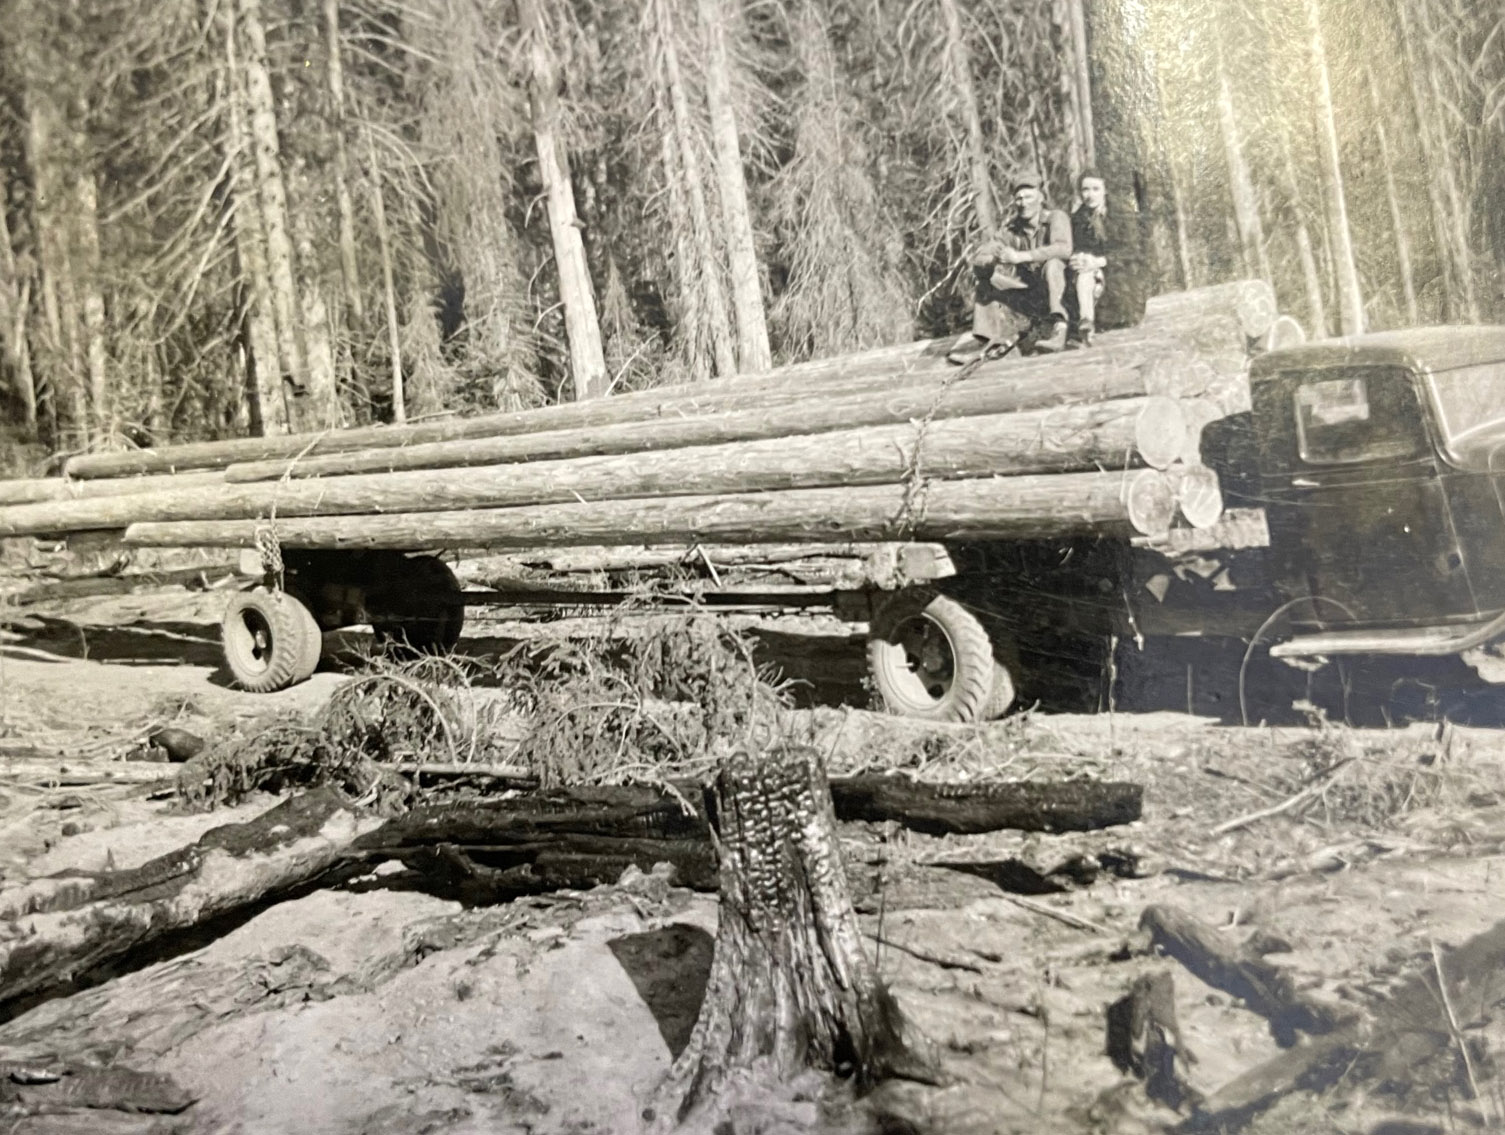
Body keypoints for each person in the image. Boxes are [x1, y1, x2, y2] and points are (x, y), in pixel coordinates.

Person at [948, 170, 1072, 364]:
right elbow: (981, 256)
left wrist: (1021, 257)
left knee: (1053, 264)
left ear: (1041, 198)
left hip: (1063, 295)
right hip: (1033, 297)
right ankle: (987, 343)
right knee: (988, 282)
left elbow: (1063, 248)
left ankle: (1059, 329)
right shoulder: (1011, 230)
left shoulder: (1056, 218)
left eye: (1028, 197)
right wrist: (991, 260)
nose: (1023, 203)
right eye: (1019, 198)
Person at [1065, 169, 1148, 348]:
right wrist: (1078, 259)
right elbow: (1079, 247)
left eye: (1096, 189)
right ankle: (1086, 322)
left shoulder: (1122, 213)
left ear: (1105, 190)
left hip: (1123, 278)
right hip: (1094, 275)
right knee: (1083, 273)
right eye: (1085, 190)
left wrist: (1100, 261)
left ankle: (1087, 320)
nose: (1090, 195)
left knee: (1090, 276)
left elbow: (1133, 251)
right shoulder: (1078, 219)